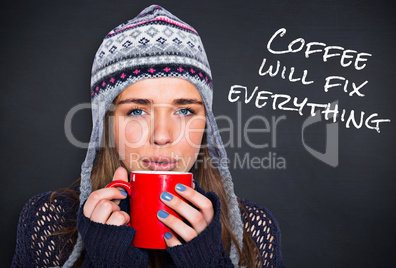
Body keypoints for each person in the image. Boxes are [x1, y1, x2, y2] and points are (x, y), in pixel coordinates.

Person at [12, 5, 285, 267]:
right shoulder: (49, 221)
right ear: (105, 124)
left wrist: (208, 260)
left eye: (185, 110)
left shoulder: (253, 229)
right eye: (137, 111)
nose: (162, 136)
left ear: (207, 125)